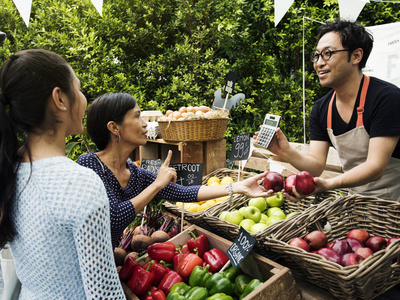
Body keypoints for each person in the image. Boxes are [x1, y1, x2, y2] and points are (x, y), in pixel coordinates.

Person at [255, 19, 400, 207]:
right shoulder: (322, 109)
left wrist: (330, 184)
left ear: (356, 56)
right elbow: (315, 165)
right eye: (316, 56)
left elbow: (375, 167)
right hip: (363, 205)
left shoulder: (386, 97)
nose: (319, 63)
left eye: (327, 54)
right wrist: (285, 151)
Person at [0, 49, 125, 299]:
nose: (83, 97)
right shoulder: (80, 183)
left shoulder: (9, 169)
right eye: (78, 89)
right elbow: (103, 293)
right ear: (59, 99)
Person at [77, 92, 273, 248]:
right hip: (81, 262)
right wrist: (156, 185)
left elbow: (182, 192)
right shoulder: (90, 165)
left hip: (106, 257)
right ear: (114, 127)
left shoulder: (134, 173)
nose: (145, 123)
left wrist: (237, 187)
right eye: (137, 116)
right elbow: (115, 216)